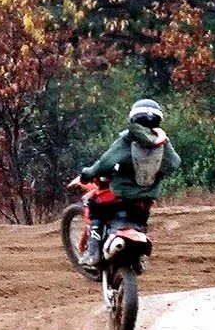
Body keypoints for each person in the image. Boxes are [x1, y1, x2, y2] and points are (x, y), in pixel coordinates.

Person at [76, 98, 180, 269]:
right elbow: (174, 163)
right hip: (146, 198)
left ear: (133, 118)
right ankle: (138, 258)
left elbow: (104, 164)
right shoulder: (161, 141)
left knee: (94, 205)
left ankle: (92, 253)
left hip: (122, 194)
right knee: (139, 220)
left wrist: (88, 173)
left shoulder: (127, 140)